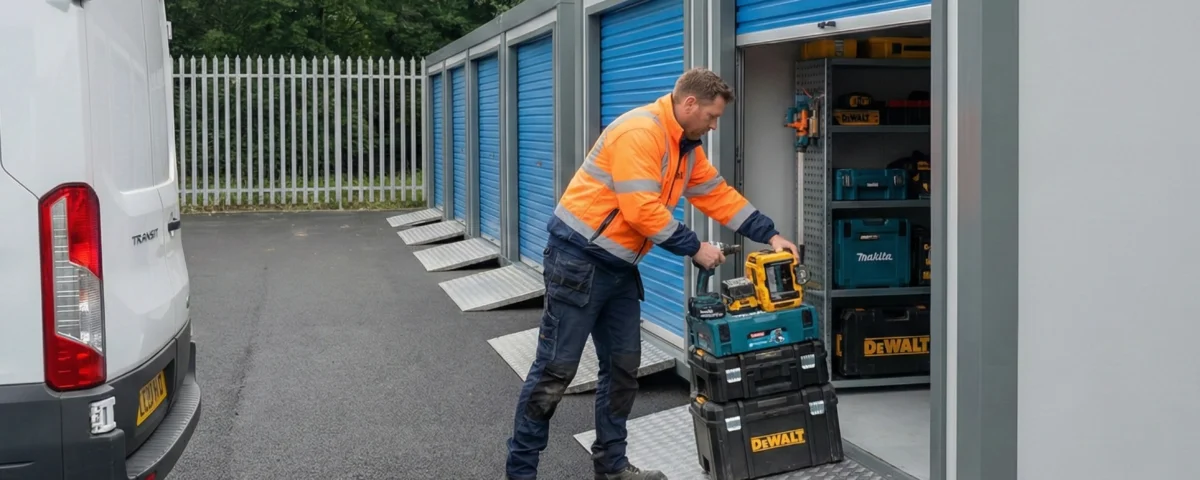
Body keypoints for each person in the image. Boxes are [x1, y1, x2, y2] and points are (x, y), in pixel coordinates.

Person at [503, 67, 799, 480]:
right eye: (712, 117)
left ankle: (612, 467)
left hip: (620, 269)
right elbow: (640, 209)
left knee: (623, 370)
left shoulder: (685, 146)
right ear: (689, 103)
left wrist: (771, 234)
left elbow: (715, 194)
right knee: (555, 372)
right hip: (577, 263)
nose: (714, 126)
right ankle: (521, 472)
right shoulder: (640, 132)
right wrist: (696, 248)